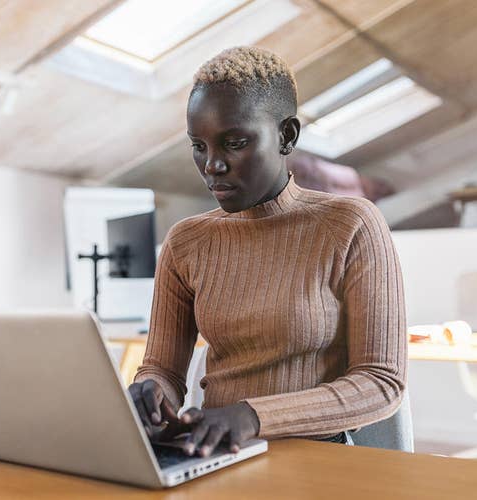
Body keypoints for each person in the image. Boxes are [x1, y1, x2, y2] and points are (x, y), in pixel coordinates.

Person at [128, 46, 406, 458]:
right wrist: (151, 390)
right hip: (214, 454)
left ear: (287, 136)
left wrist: (253, 416)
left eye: (234, 143)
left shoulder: (352, 224)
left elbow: (382, 382)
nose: (211, 165)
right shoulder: (186, 242)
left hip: (320, 458)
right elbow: (164, 369)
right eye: (198, 146)